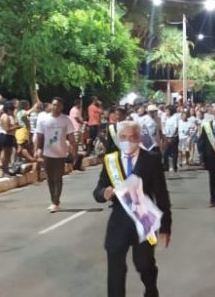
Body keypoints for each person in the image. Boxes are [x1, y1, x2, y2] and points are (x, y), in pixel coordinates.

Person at [93, 120, 172, 297]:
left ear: (139, 138)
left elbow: (162, 195)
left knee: (144, 264)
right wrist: (102, 193)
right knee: (116, 271)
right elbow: (98, 190)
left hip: (145, 221)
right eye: (123, 137)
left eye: (132, 137)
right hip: (118, 222)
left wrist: (166, 227)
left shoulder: (151, 160)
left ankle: (151, 289)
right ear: (118, 138)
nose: (128, 141)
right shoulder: (110, 160)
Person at [36, 97, 77, 212]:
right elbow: (39, 136)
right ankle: (53, 199)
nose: (56, 107)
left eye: (58, 105)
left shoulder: (66, 120)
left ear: (62, 107)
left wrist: (74, 149)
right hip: (47, 152)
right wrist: (37, 149)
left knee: (58, 177)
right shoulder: (44, 120)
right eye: (54, 105)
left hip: (61, 152)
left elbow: (71, 137)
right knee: (49, 178)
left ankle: (56, 201)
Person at [0, 101, 19, 176]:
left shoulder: (6, 116)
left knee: (8, 154)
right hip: (6, 136)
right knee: (6, 154)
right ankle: (5, 170)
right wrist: (17, 127)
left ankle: (6, 169)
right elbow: (7, 129)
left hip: (9, 136)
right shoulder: (5, 116)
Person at [162, 106, 179, 173]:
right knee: (165, 152)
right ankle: (166, 166)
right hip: (167, 136)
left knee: (174, 152)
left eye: (167, 111)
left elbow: (176, 127)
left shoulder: (175, 117)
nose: (166, 112)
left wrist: (172, 136)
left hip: (173, 137)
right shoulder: (166, 118)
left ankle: (174, 166)